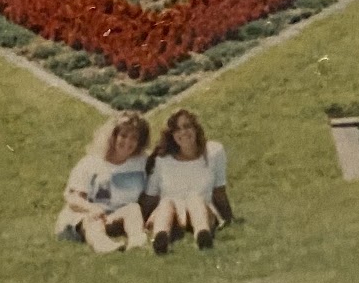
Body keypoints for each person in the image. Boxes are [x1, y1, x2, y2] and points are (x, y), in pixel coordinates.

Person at [54, 112, 152, 253]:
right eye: (123, 136)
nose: (128, 142)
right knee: (93, 220)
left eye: (134, 138)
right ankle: (102, 244)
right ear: (113, 136)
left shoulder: (141, 162)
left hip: (114, 216)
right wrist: (91, 208)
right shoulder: (91, 163)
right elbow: (73, 199)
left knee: (133, 208)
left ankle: (136, 240)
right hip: (85, 216)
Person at [141, 109, 234, 254]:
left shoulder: (214, 152)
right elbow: (150, 197)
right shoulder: (162, 160)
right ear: (171, 135)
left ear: (196, 128)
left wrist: (229, 217)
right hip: (171, 216)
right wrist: (140, 220)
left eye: (187, 126)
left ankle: (202, 235)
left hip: (202, 210)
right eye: (177, 129)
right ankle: (160, 238)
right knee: (166, 203)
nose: (183, 132)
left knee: (195, 200)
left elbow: (219, 191)